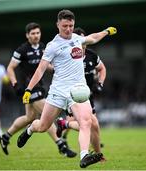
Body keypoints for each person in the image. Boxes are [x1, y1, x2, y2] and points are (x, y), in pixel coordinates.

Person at [17, 10, 117, 168]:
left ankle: (84, 156)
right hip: (58, 91)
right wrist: (28, 90)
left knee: (86, 122)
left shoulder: (78, 39)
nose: (68, 29)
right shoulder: (52, 46)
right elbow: (40, 69)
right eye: (65, 26)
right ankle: (30, 130)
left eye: (71, 26)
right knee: (43, 126)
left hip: (78, 90)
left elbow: (93, 37)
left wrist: (106, 31)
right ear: (58, 25)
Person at [0, 22, 77, 157]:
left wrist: (58, 69)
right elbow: (10, 68)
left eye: (38, 33)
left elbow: (45, 66)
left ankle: (5, 136)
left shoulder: (42, 47)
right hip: (29, 88)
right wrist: (15, 84)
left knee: (30, 118)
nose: (36, 36)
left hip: (39, 86)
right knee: (47, 116)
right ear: (27, 35)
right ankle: (61, 145)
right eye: (33, 33)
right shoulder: (22, 50)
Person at [56, 27, 107, 158]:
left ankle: (64, 124)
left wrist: (100, 83)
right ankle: (96, 154)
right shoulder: (68, 56)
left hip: (87, 96)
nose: (83, 44)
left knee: (91, 125)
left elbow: (102, 69)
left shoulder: (91, 55)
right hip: (72, 96)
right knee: (90, 124)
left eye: (84, 41)